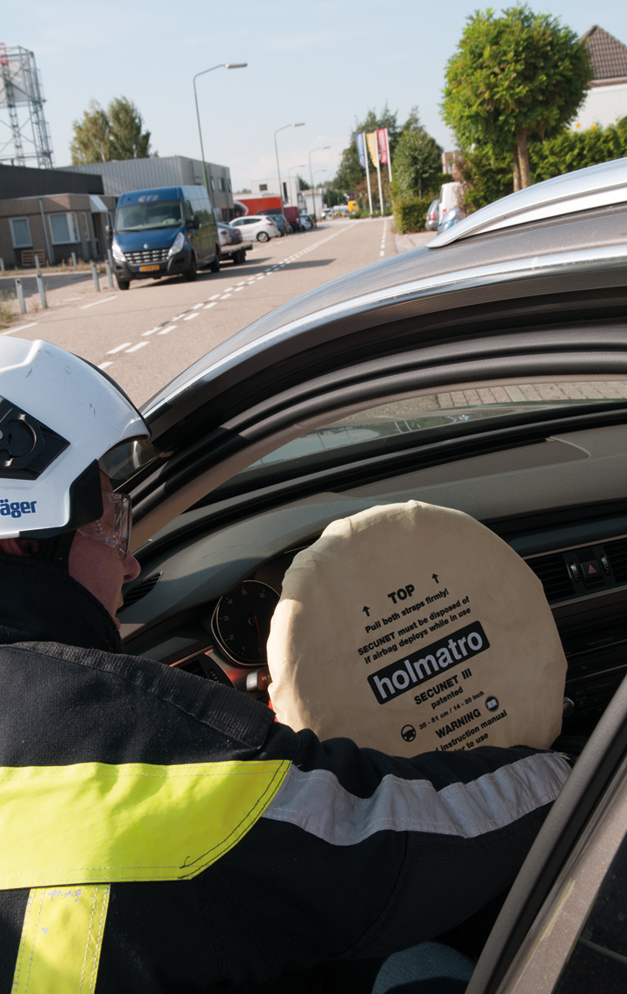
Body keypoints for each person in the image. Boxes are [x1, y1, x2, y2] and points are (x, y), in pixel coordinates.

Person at [0, 336, 572, 994]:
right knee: (427, 970)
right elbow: (401, 839)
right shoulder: (127, 738)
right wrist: (588, 768)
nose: (129, 563)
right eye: (111, 522)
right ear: (23, 539)